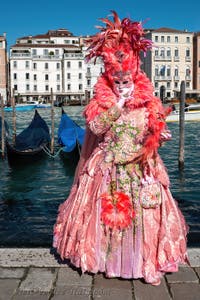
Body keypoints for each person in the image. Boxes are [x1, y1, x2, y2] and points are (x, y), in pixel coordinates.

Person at [53, 11, 188, 286]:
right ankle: (106, 259)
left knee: (144, 218)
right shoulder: (101, 103)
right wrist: (116, 106)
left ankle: (144, 261)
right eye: (118, 81)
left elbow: (152, 131)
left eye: (127, 81)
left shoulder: (148, 102)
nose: (123, 85)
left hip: (141, 168)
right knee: (109, 217)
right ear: (109, 78)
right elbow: (97, 129)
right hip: (107, 169)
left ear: (135, 76)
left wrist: (160, 136)